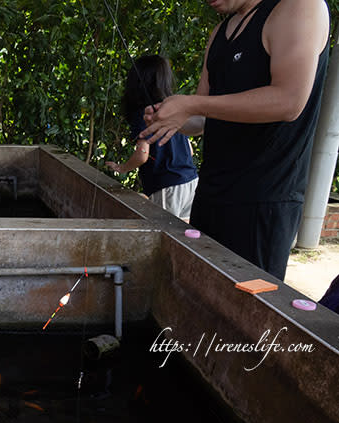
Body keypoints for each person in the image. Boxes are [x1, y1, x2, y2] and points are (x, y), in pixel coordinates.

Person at [140, 0, 330, 281]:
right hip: (210, 195)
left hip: (262, 201)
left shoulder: (299, 6)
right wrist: (173, 115)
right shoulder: (219, 32)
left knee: (246, 309)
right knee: (199, 294)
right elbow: (203, 117)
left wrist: (191, 105)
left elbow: (289, 101)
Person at [105, 55, 198, 219]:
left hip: (166, 186)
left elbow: (142, 154)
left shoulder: (144, 113)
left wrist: (123, 168)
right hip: (191, 182)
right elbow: (189, 151)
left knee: (163, 233)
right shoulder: (172, 109)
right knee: (183, 232)